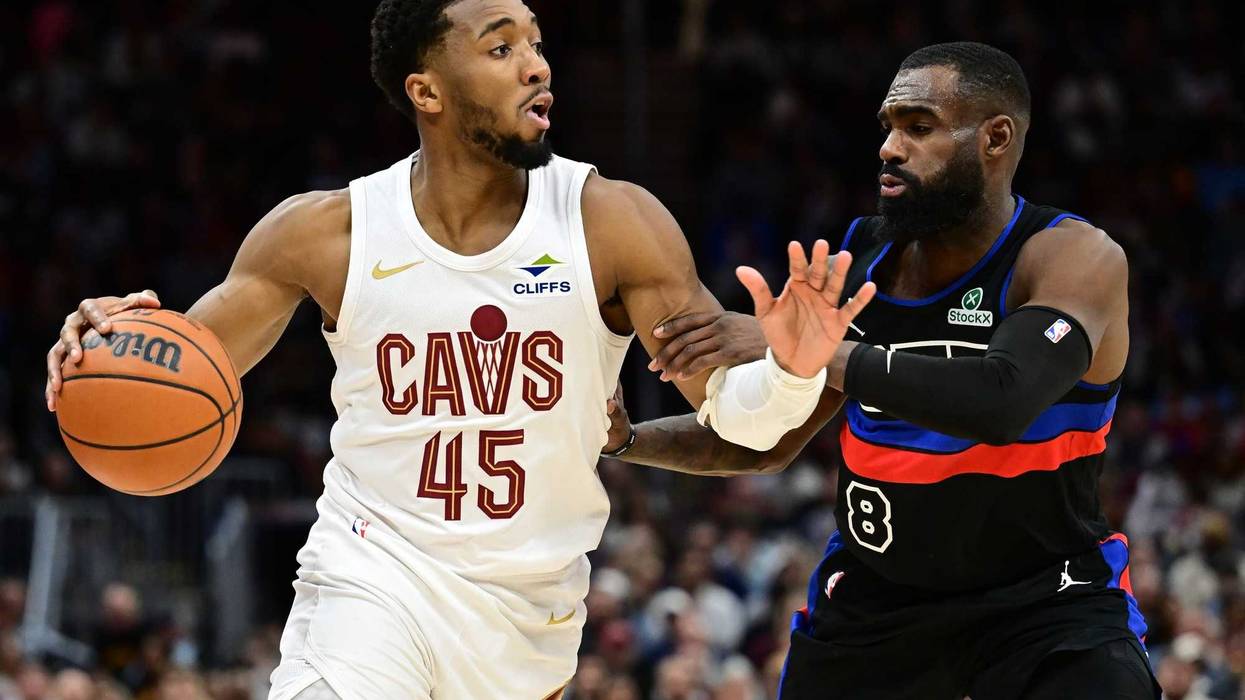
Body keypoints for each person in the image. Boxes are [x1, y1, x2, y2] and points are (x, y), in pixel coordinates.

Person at [43, 1, 868, 698]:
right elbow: (181, 363)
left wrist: (792, 371)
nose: (536, 66)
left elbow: (745, 427)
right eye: (501, 47)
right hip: (370, 579)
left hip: (527, 617)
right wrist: (109, 344)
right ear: (425, 90)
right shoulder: (325, 233)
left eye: (538, 45)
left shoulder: (611, 221)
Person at [608, 43, 1161, 699]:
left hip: (1046, 603)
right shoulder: (863, 255)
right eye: (888, 126)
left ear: (995, 138)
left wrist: (809, 350)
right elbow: (764, 446)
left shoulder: (1074, 258)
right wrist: (625, 439)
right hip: (877, 607)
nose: (889, 149)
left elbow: (1000, 400)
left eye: (918, 126)